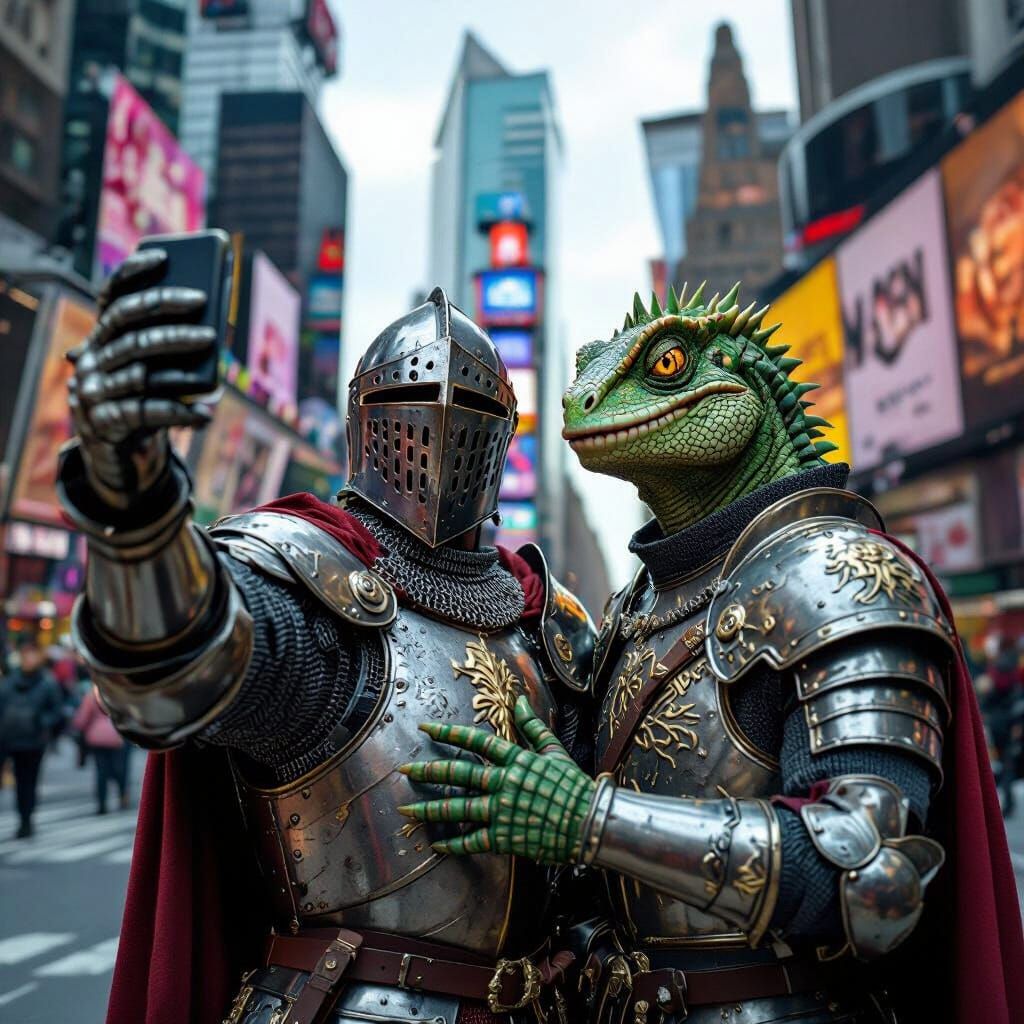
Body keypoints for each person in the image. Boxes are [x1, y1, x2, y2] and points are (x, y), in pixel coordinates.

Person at [403, 284, 1024, 1024]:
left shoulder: (841, 577)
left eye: (665, 367)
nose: (586, 400)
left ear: (747, 388)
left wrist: (587, 821)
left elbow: (873, 874)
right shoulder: (633, 609)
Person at [58, 248, 596, 1024]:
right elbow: (182, 662)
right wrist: (135, 505)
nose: (439, 424)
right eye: (412, 399)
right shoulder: (314, 579)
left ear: (504, 435)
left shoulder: (552, 624)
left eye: (472, 413)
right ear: (363, 423)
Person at [0, 636, 64, 838]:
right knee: (18, 783)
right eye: (25, 654)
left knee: (28, 783)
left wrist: (42, 723)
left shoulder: (47, 683)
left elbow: (57, 712)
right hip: (8, 740)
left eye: (32, 654)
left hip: (32, 743)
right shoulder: (9, 682)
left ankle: (26, 820)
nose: (28, 658)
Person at [72, 686, 129, 814]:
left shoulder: (91, 696)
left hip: (97, 738)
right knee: (119, 768)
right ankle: (122, 794)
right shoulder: (119, 693)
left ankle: (102, 804)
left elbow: (81, 720)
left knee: (101, 772)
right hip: (116, 736)